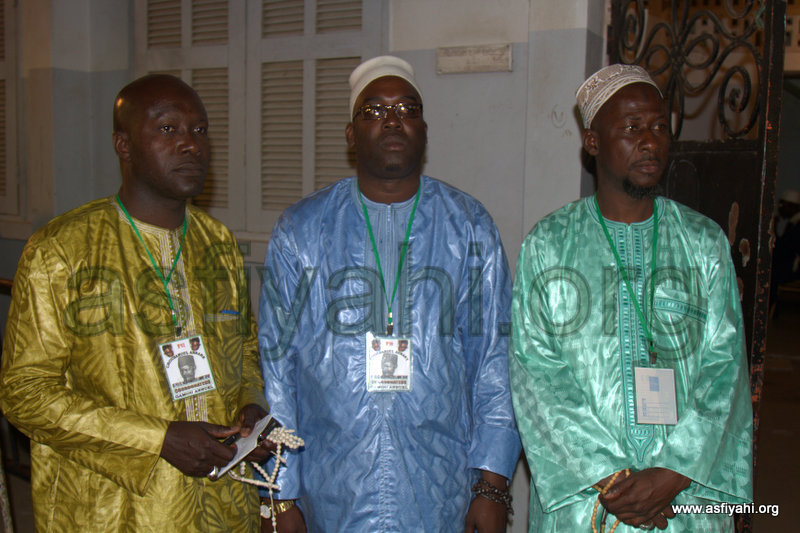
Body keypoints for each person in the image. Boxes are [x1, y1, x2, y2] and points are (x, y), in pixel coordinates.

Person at [258, 56, 521, 532]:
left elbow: (494, 364)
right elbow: (278, 371)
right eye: (374, 111)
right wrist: (280, 495)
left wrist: (492, 485)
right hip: (331, 489)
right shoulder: (302, 229)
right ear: (350, 134)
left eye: (407, 108)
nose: (393, 120)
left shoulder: (468, 225)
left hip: (440, 489)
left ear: (424, 129)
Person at [0, 74, 270, 531]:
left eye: (200, 131)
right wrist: (156, 439)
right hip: (116, 508)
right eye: (168, 129)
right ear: (122, 145)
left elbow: (241, 352)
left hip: (221, 504)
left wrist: (251, 407)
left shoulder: (219, 244)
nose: (190, 145)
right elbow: (25, 393)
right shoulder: (62, 251)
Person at [509, 64, 753, 532]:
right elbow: (536, 376)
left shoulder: (703, 242)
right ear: (594, 143)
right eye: (632, 128)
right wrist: (615, 478)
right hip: (589, 504)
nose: (650, 140)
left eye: (660, 126)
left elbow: (724, 370)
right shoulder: (550, 244)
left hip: (684, 499)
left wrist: (673, 470)